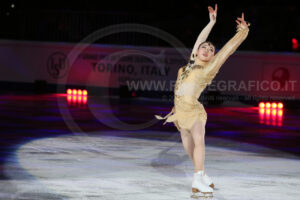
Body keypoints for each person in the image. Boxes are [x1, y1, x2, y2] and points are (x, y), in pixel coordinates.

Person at [154, 4, 250, 198]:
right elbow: (200, 39)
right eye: (204, 47)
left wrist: (243, 31)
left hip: (194, 111)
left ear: (213, 56)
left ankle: (197, 178)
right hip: (179, 113)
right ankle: (202, 174)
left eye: (211, 49)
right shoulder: (189, 64)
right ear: (197, 51)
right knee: (189, 147)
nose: (207, 49)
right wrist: (211, 22)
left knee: (199, 140)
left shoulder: (210, 68)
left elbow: (228, 50)